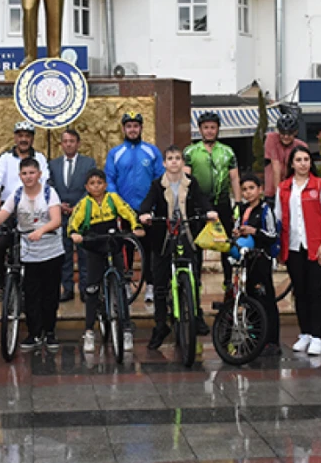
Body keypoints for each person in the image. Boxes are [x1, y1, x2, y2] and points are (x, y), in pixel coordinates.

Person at [138, 145, 217, 349]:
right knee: (160, 283)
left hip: (188, 233)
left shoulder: (191, 183)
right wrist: (145, 214)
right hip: (164, 236)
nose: (174, 162)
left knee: (194, 276)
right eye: (170, 158)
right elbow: (147, 203)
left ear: (183, 162)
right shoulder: (157, 184)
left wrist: (209, 212)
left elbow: (202, 200)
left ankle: (195, 313)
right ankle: (160, 324)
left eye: (177, 158)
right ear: (164, 163)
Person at [0, 158, 63, 350]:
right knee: (31, 293)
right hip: (29, 252)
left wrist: (41, 231)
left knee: (50, 294)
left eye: (32, 173)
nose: (28, 177)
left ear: (39, 174)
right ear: (20, 176)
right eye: (25, 174)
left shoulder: (49, 193)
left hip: (51, 250)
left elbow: (56, 220)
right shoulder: (17, 195)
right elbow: (3, 213)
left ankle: (50, 332)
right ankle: (34, 333)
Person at [67, 168, 144, 353]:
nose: (96, 186)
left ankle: (126, 329)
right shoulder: (84, 204)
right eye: (92, 183)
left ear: (105, 185)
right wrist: (74, 233)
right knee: (92, 289)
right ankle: (89, 331)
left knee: (121, 286)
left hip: (113, 243)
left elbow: (127, 211)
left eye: (99, 183)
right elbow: (73, 222)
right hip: (94, 245)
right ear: (86, 186)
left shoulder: (113, 199)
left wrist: (136, 226)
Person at [274, 146, 321, 357]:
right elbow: (278, 217)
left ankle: (317, 336)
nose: (302, 163)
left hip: (317, 246)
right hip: (292, 246)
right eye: (298, 159)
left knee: (315, 290)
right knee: (299, 291)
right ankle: (305, 333)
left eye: (306, 159)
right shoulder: (283, 188)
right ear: (291, 163)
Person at [0, 121, 50, 300]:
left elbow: (46, 182)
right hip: (9, 209)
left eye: (27, 136)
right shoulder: (5, 158)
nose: (23, 139)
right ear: (15, 137)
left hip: (32, 210)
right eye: (20, 136)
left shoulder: (40, 158)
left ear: (32, 138)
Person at [106, 112, 165, 303]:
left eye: (136, 126)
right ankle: (126, 284)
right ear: (124, 129)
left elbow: (159, 178)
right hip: (124, 210)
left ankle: (150, 285)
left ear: (141, 128)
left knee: (149, 249)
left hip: (147, 209)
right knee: (125, 249)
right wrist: (116, 205)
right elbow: (110, 180)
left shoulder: (152, 151)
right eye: (129, 126)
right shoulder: (115, 153)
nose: (132, 129)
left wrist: (154, 204)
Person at [184, 112, 241, 293]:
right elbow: (186, 179)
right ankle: (196, 280)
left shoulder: (227, 151)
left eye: (213, 128)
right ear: (200, 130)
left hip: (222, 203)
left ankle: (228, 280)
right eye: (206, 128)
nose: (209, 131)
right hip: (198, 205)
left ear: (218, 129)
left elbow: (234, 179)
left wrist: (238, 203)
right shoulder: (190, 152)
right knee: (197, 245)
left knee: (225, 243)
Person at [233, 172, 280, 355]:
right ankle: (255, 338)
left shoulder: (265, 210)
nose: (248, 193)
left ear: (260, 190)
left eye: (251, 188)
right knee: (250, 299)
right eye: (244, 189)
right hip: (247, 260)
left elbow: (271, 235)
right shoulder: (243, 210)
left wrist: (254, 231)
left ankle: (272, 341)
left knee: (265, 300)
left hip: (262, 259)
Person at [49, 128, 96, 302]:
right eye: (65, 141)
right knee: (65, 254)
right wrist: (58, 204)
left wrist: (78, 207)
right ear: (61, 144)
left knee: (84, 254)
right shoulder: (53, 165)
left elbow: (92, 185)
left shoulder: (88, 163)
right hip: (61, 215)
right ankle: (67, 289)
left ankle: (84, 289)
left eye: (72, 141)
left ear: (78, 143)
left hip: (83, 215)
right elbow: (50, 186)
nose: (68, 144)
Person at [263, 112, 308, 200]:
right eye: (282, 133)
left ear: (295, 132)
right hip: (272, 191)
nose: (286, 136)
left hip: (293, 190)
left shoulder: (301, 146)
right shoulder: (271, 138)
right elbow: (276, 167)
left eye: (289, 133)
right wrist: (278, 194)